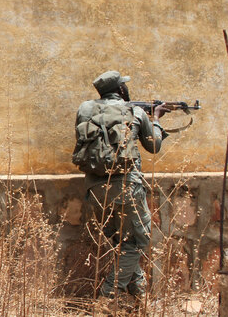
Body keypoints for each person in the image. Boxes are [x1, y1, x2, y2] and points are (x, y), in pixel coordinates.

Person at [76, 71, 168, 300]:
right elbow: (154, 146)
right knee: (137, 242)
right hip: (127, 187)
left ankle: (139, 294)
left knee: (122, 242)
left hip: (95, 189)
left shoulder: (85, 110)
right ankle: (107, 298)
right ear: (121, 90)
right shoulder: (135, 111)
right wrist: (155, 119)